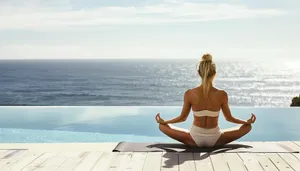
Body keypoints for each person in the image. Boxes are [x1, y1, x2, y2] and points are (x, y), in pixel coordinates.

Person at [155, 53, 256, 147]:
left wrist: (165, 121)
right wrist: (246, 122)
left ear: (199, 73)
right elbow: (229, 118)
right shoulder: (222, 94)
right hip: (216, 140)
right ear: (215, 74)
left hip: (193, 140)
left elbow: (182, 118)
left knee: (162, 126)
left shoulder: (190, 94)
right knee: (248, 127)